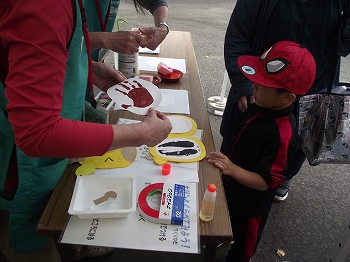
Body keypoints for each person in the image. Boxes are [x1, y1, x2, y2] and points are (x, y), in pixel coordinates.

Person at [0, 1, 172, 262]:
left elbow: (40, 45)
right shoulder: (43, 5)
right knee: (31, 237)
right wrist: (141, 134)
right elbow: (38, 132)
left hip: (40, 138)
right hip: (15, 161)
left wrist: (87, 68)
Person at [221, 0, 350, 202]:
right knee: (242, 144)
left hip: (313, 89)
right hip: (264, 87)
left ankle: (279, 178)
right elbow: (239, 33)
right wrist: (244, 82)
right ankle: (230, 176)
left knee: (289, 148)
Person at [207, 41, 316, 261]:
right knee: (224, 224)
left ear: (287, 98)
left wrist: (231, 168)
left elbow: (267, 181)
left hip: (251, 207)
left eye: (260, 86)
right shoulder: (261, 106)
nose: (253, 87)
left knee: (243, 248)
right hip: (233, 189)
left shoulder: (282, 133)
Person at [84, 0, 169, 62]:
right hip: (73, 66)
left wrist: (163, 28)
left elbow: (155, 2)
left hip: (90, 65)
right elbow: (71, 41)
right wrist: (107, 39)